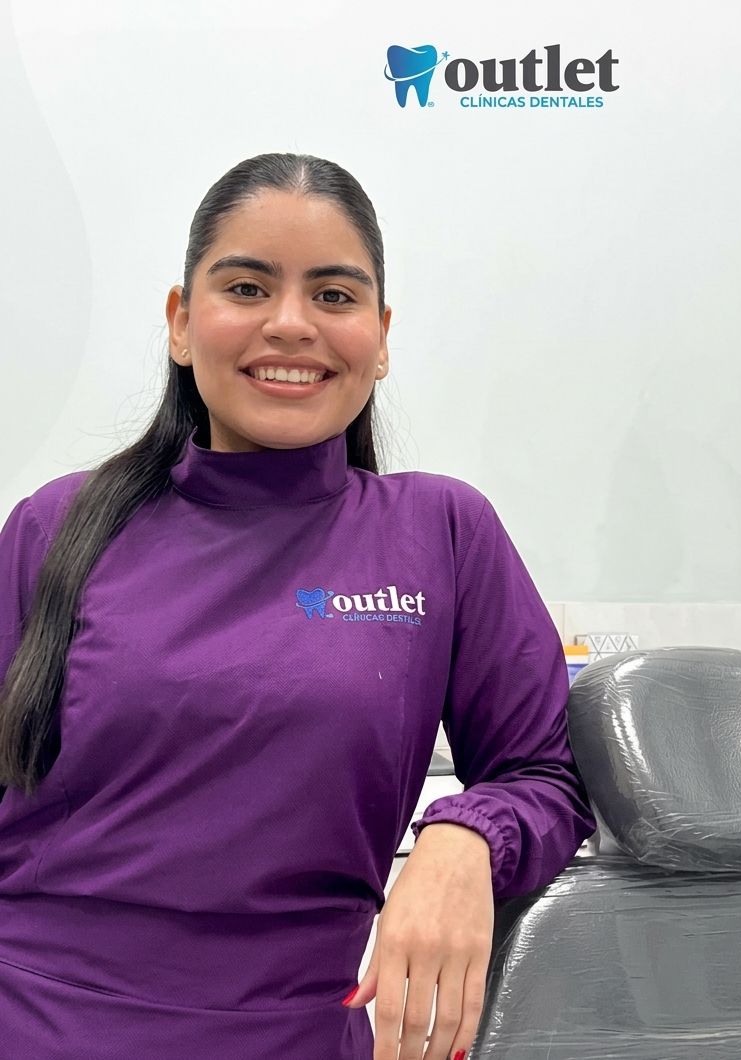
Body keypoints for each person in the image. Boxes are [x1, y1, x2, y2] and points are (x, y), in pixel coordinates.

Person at [0, 153, 595, 1060]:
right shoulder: (56, 526)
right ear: (181, 322)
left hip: (301, 1031)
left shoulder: (441, 533)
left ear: (381, 337)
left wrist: (465, 836)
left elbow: (547, 777)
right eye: (247, 287)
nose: (290, 324)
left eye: (334, 296)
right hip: (34, 1020)